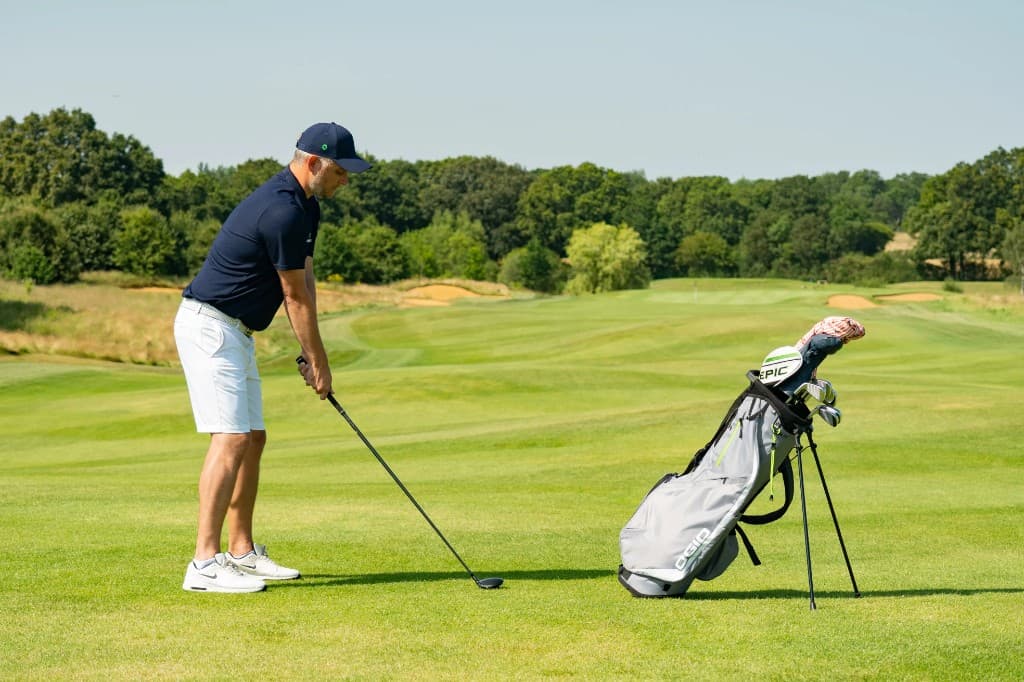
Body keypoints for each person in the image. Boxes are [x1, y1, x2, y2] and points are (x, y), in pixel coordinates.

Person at [174, 122, 371, 592]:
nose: (347, 180)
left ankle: (240, 551)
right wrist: (319, 362)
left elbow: (305, 280)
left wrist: (313, 353)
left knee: (254, 437)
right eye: (341, 172)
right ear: (312, 163)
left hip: (238, 331)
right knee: (232, 439)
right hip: (210, 326)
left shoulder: (306, 207)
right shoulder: (281, 210)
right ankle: (203, 563)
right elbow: (293, 298)